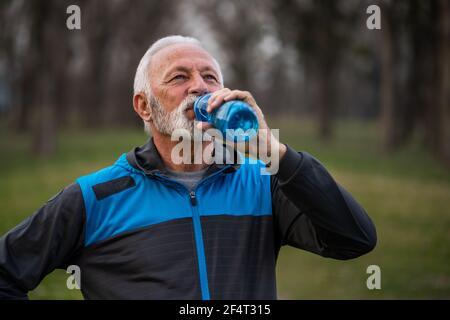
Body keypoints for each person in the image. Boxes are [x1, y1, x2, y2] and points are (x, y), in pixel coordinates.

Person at [0, 35, 376, 300]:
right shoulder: (95, 197)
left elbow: (354, 240)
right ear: (145, 107)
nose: (200, 87)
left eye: (210, 77)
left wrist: (274, 153)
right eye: (180, 77)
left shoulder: (262, 183)